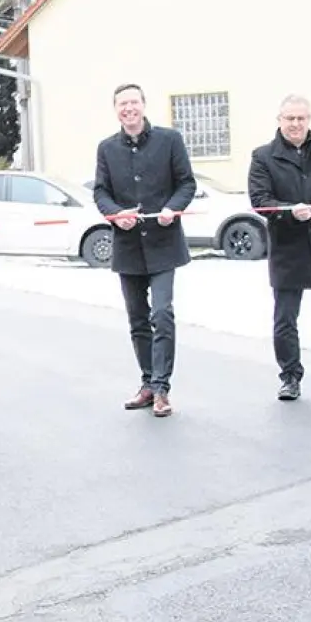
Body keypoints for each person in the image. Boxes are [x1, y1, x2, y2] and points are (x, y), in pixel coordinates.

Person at [93, 83, 196, 418]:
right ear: (116, 109)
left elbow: (187, 183)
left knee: (162, 314)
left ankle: (162, 387)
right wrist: (115, 214)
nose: (129, 109)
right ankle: (148, 383)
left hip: (164, 244)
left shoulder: (170, 140)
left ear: (143, 105)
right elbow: (100, 192)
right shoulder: (107, 148)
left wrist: (172, 208)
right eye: (122, 104)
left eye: (133, 102)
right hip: (128, 247)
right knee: (138, 319)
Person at [247, 94, 311, 400]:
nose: (296, 124)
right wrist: (289, 211)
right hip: (287, 246)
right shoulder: (263, 156)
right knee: (285, 319)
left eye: (301, 118)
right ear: (279, 120)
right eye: (290, 118)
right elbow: (260, 200)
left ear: (309, 119)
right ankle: (290, 377)